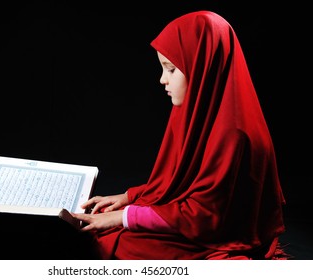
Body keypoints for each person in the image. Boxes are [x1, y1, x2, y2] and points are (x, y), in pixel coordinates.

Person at [72, 10, 286, 260]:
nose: (163, 80)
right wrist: (130, 198)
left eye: (171, 69)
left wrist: (124, 216)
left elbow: (206, 215)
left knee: (113, 242)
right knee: (99, 229)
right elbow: (177, 183)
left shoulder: (234, 134)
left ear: (203, 67)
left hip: (215, 231)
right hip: (192, 220)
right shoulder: (194, 111)